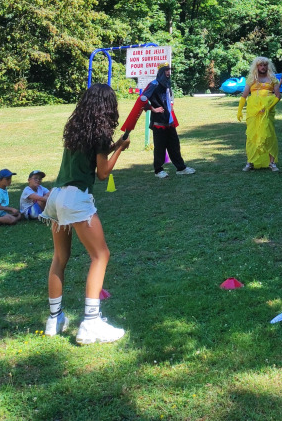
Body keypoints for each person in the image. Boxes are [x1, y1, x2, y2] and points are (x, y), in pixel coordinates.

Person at [40, 83, 131, 344]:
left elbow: (92, 157)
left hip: (56, 196)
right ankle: (91, 323)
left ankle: (54, 320)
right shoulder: (100, 133)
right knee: (101, 255)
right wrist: (120, 150)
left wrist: (115, 145)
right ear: (107, 106)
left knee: (60, 257)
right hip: (76, 199)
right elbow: (102, 173)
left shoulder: (76, 129)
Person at [143, 63, 195, 179]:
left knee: (174, 145)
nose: (168, 72)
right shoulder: (154, 84)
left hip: (169, 121)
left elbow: (170, 98)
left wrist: (171, 105)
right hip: (159, 122)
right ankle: (158, 170)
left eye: (169, 70)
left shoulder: (167, 84)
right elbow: (142, 98)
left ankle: (181, 168)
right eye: (166, 70)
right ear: (161, 72)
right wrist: (153, 109)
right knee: (160, 147)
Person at [237, 57, 281, 171]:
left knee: (269, 135)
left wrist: (268, 107)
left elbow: (278, 96)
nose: (263, 67)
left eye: (265, 65)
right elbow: (244, 96)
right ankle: (250, 161)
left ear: (268, 66)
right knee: (252, 136)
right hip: (253, 112)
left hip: (267, 112)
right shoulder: (251, 79)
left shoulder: (272, 79)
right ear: (256, 67)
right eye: (260, 65)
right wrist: (239, 110)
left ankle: (272, 163)